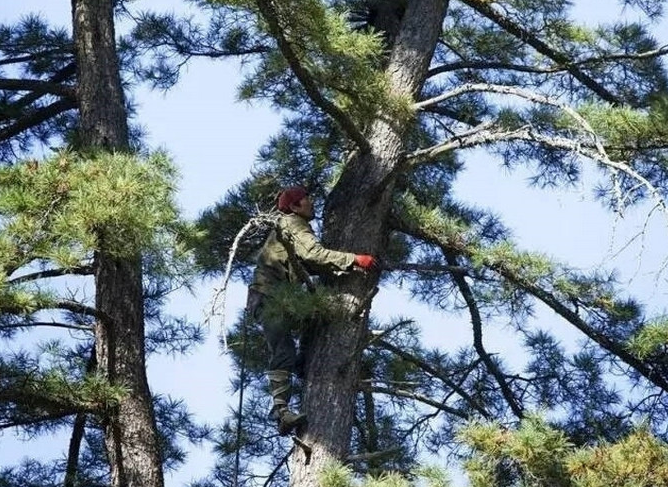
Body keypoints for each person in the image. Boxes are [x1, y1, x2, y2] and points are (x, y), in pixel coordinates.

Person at [246, 186, 376, 435]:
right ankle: (281, 411)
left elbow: (306, 262)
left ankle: (303, 364)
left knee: (316, 318)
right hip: (270, 297)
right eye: (306, 199)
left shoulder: (289, 226)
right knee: (283, 350)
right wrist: (354, 259)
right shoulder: (293, 223)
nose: (312, 201)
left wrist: (343, 267)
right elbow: (313, 254)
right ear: (295, 206)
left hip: (278, 297)